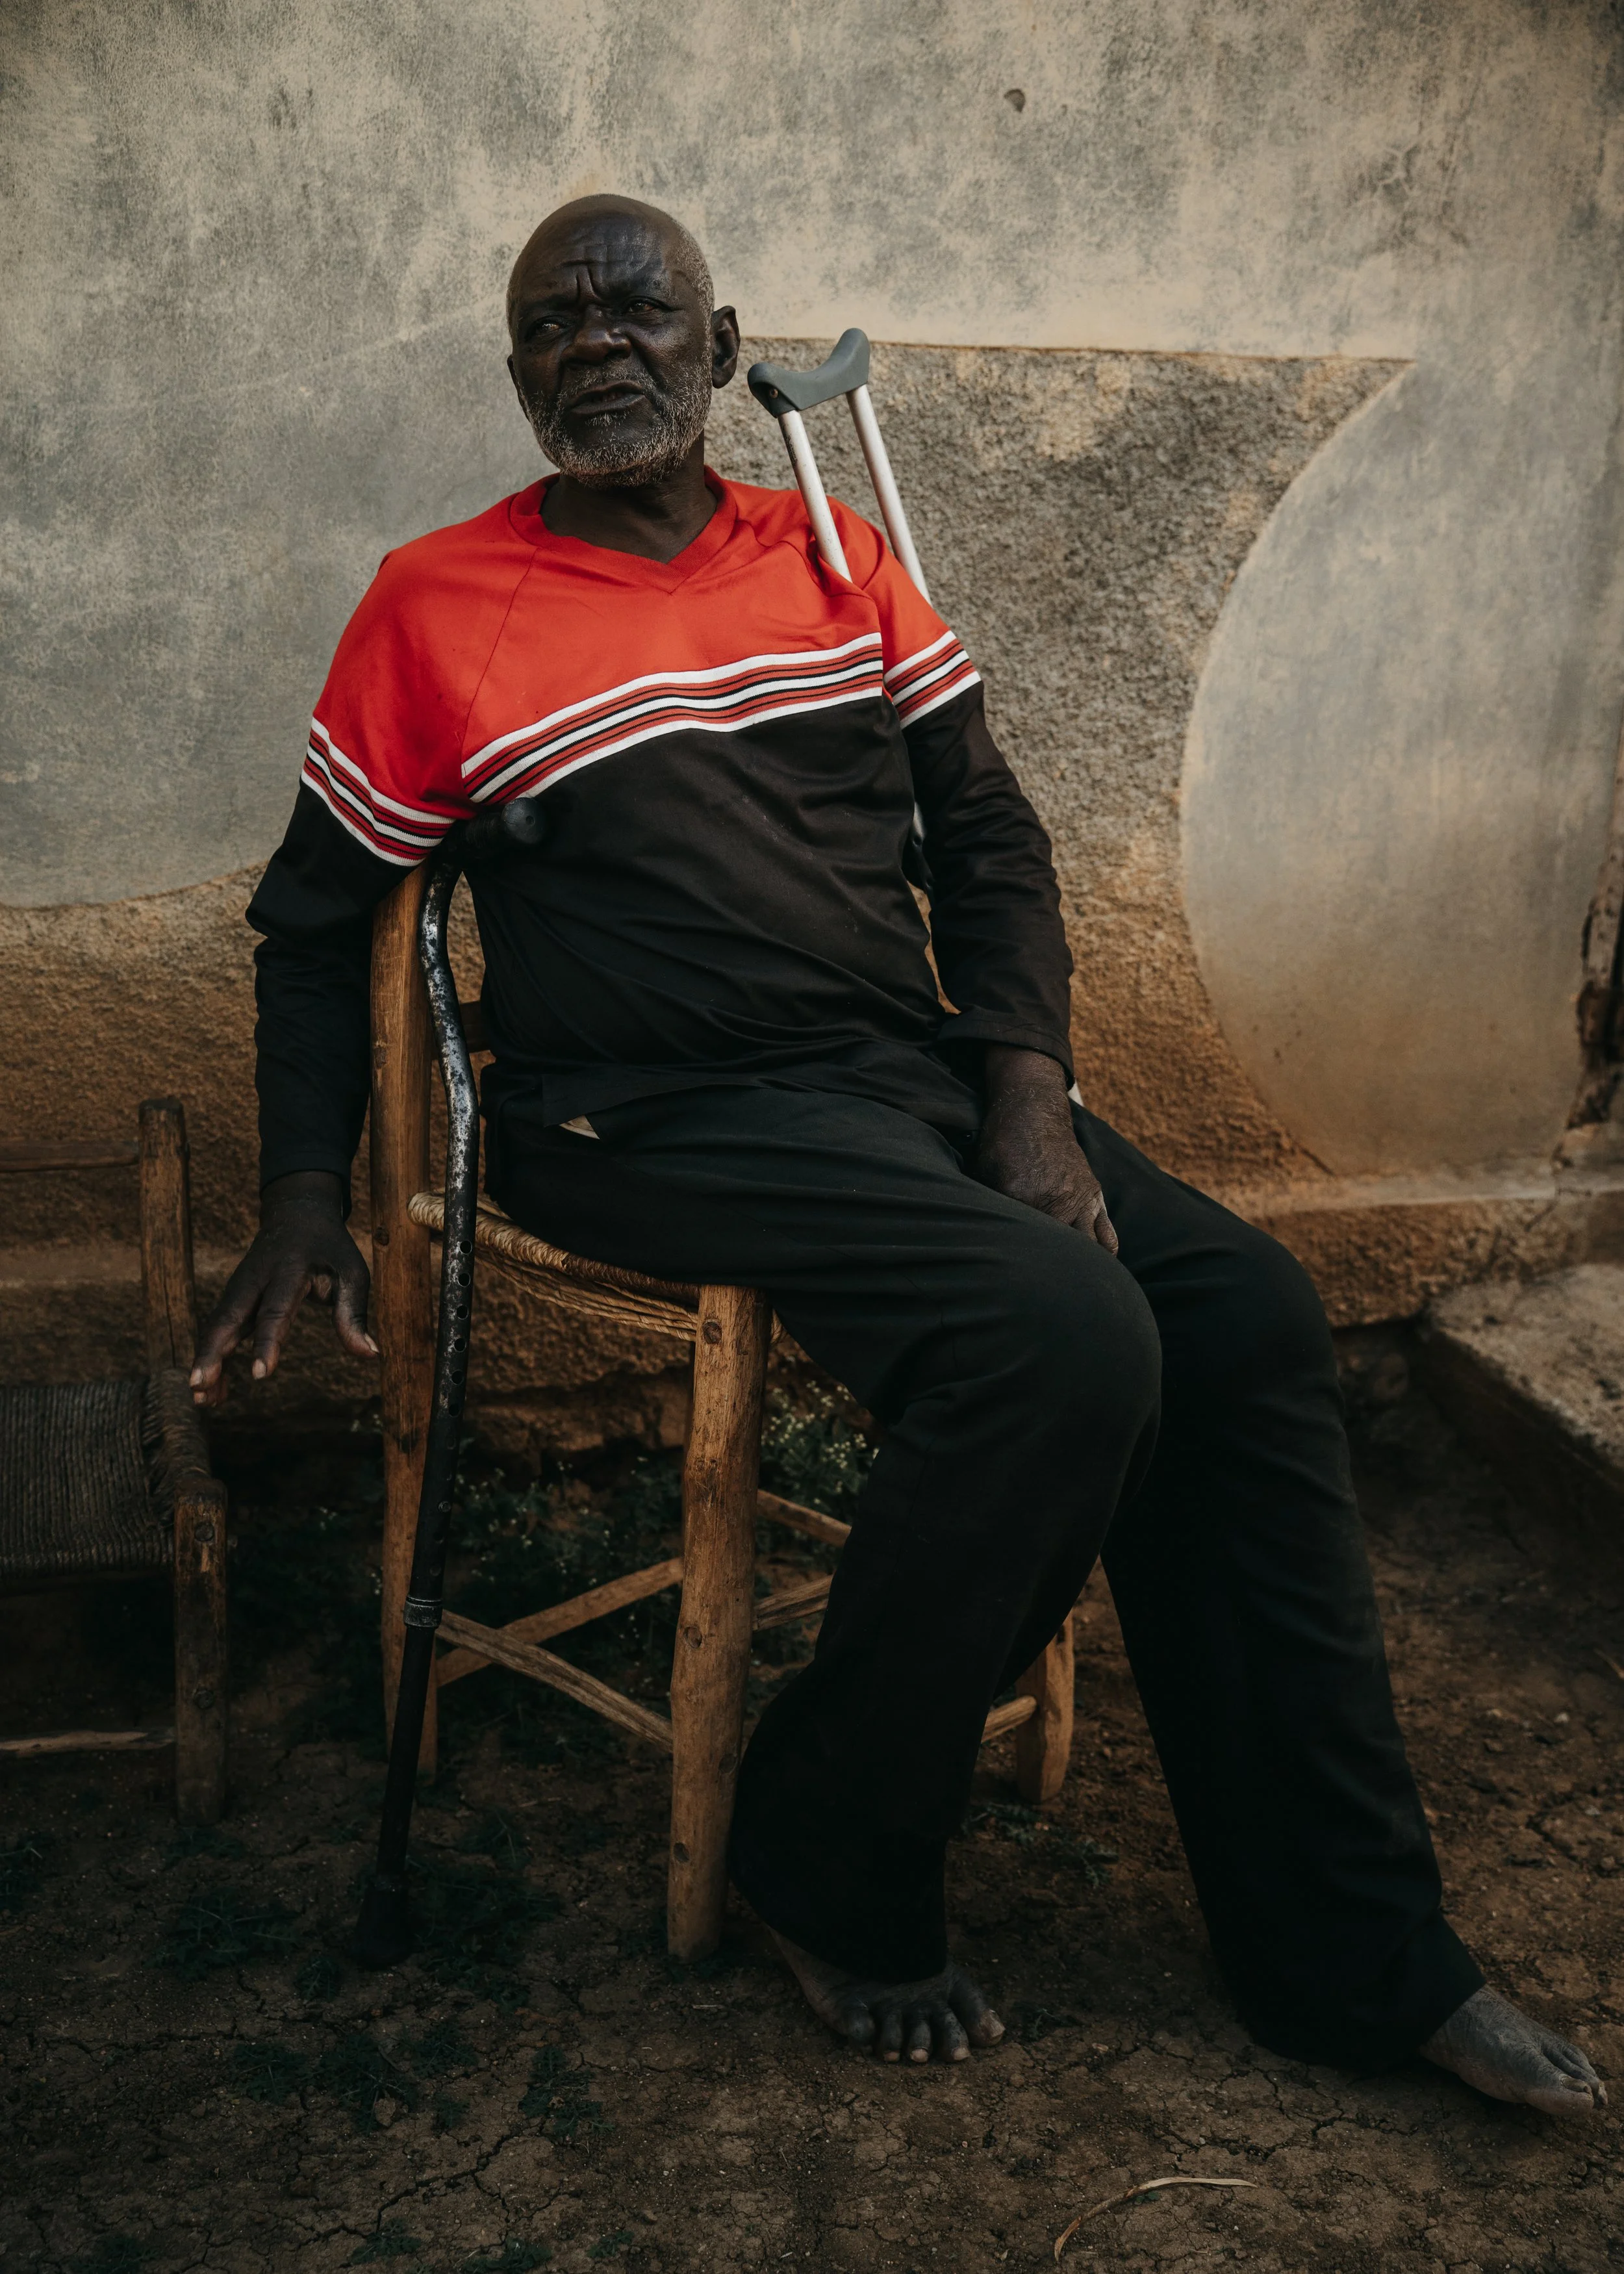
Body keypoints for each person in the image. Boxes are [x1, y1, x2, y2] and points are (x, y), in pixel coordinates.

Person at [194, 194, 1603, 2110]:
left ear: (718, 339)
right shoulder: (436, 606)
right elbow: (305, 924)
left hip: (903, 1076)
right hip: (640, 1113)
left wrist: (1026, 1087)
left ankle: (1351, 1952)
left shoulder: (836, 560)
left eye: (640, 308)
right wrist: (304, 1190)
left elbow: (991, 839)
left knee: (1251, 1310)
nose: (599, 341)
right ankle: (828, 1847)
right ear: (517, 371)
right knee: (1066, 1337)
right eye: (554, 322)